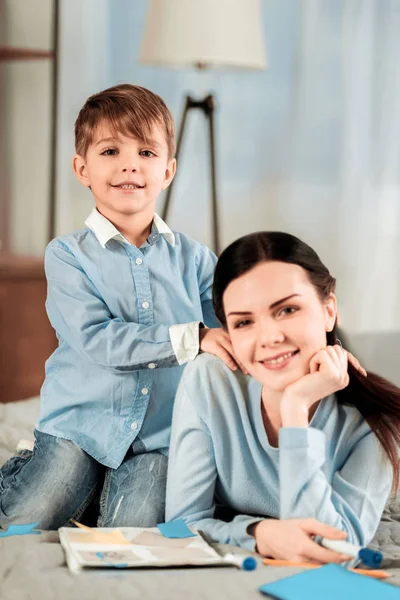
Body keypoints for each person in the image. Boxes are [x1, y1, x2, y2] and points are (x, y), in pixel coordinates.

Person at [0, 84, 239, 531]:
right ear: (82, 168)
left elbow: (235, 315)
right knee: (28, 519)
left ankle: (96, 496)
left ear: (168, 171)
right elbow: (98, 339)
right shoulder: (67, 255)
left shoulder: (194, 258)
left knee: (134, 529)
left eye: (146, 153)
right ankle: (25, 471)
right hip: (82, 426)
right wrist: (195, 338)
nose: (130, 163)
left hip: (160, 439)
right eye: (111, 150)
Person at [166, 231, 400, 564]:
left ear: (329, 310)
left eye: (287, 310)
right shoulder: (211, 380)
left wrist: (296, 410)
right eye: (244, 322)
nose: (270, 337)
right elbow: (181, 525)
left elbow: (333, 553)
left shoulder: (376, 421)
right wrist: (258, 534)